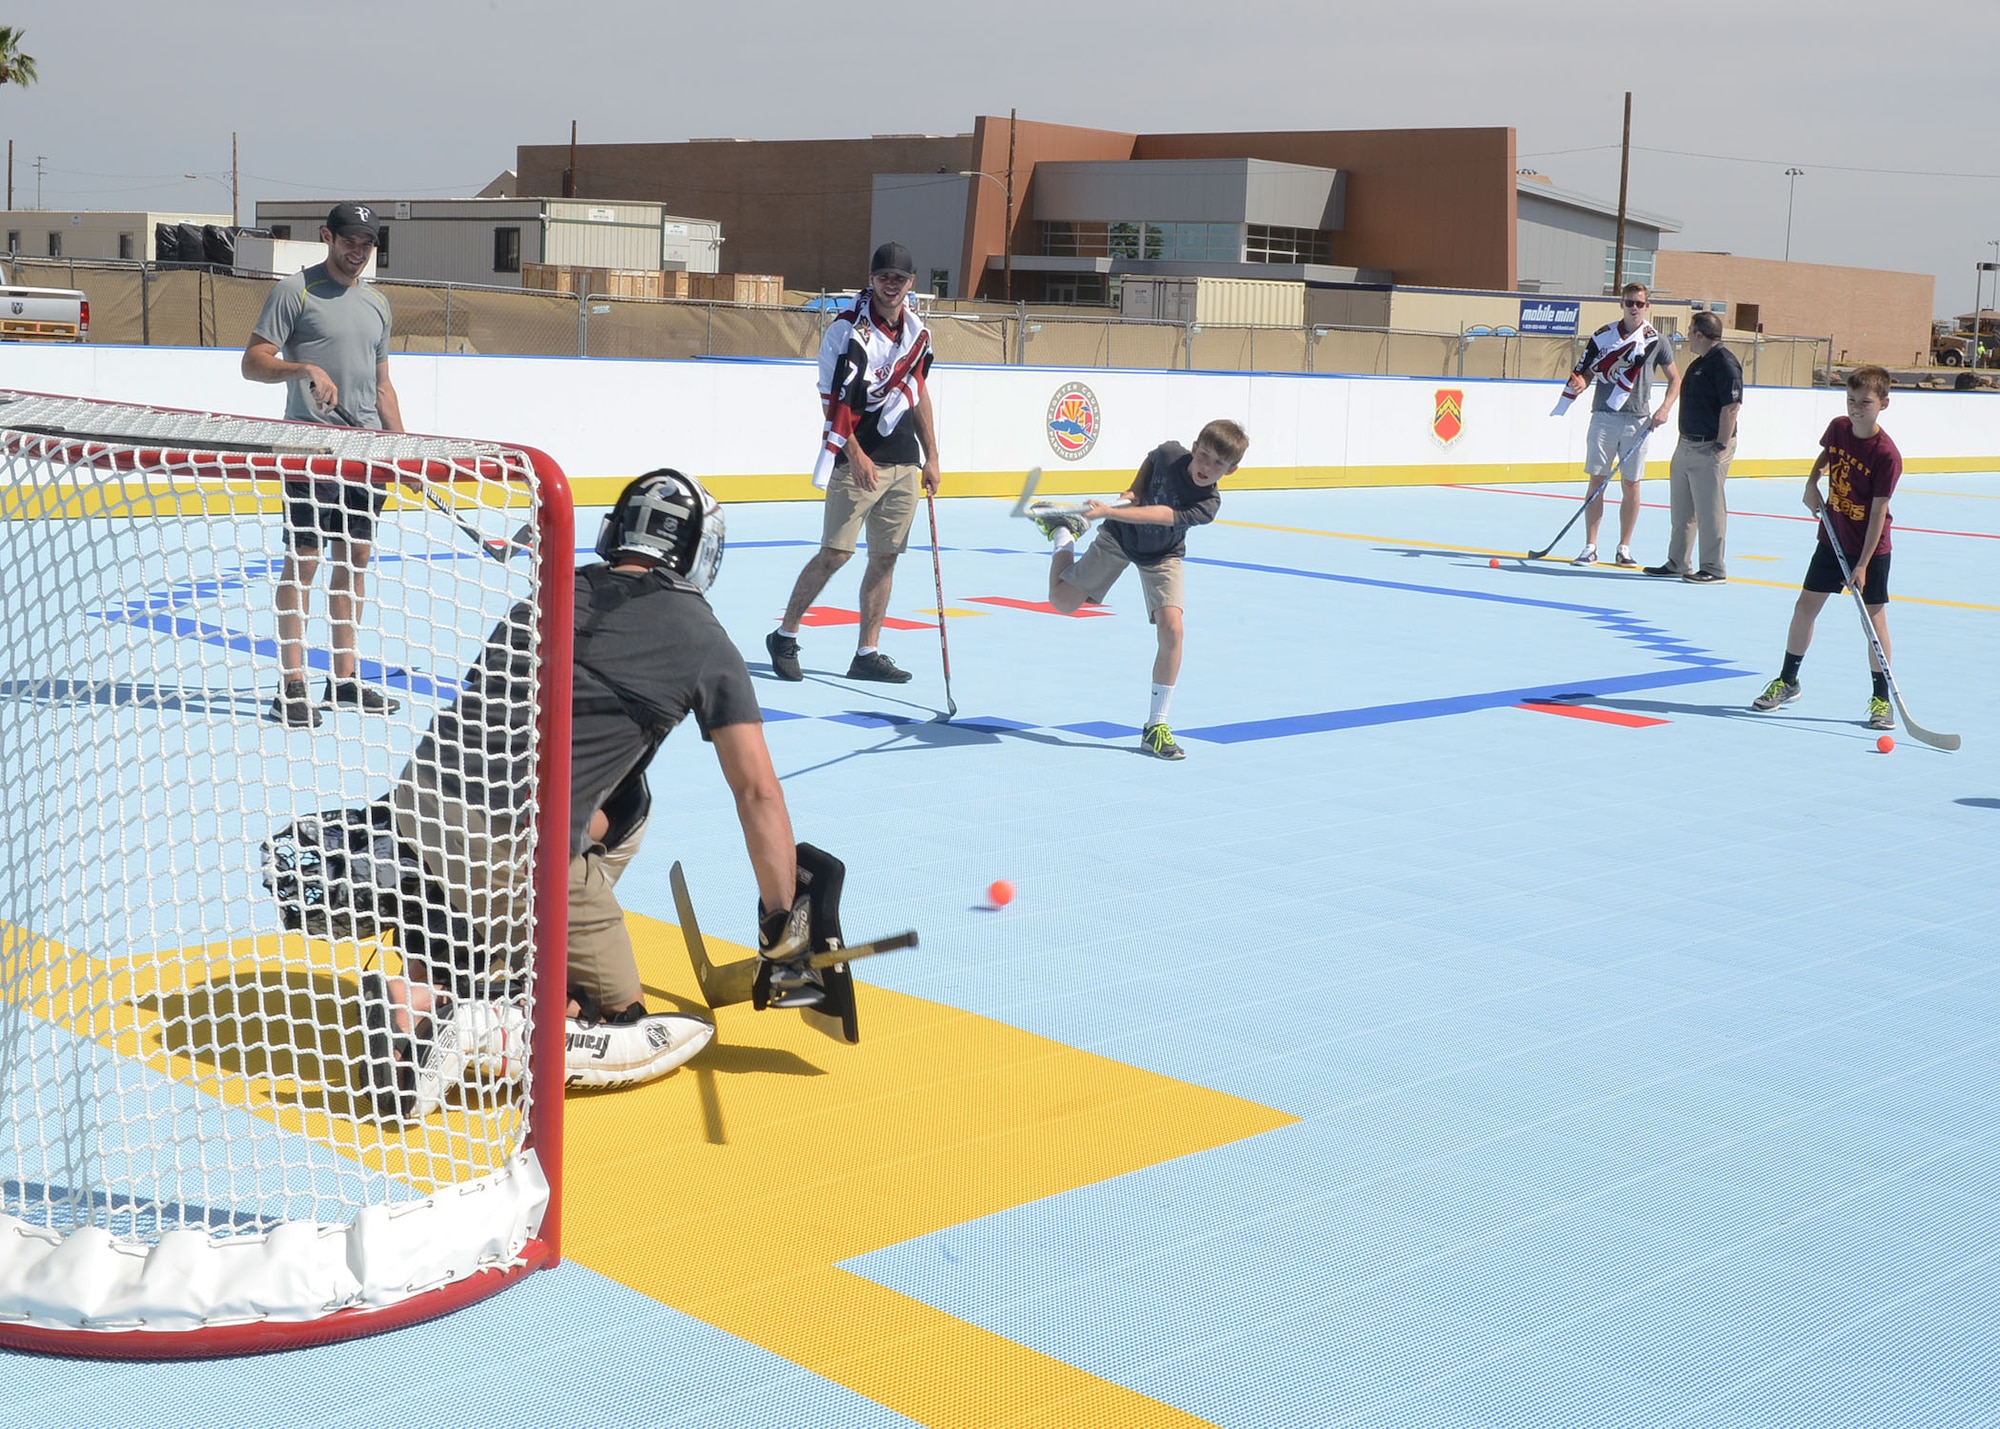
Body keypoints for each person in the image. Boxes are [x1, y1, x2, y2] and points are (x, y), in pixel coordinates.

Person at [242, 202, 405, 730]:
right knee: (305, 559)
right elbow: (253, 362)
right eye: (349, 241)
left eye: (367, 244)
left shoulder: (378, 303)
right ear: (327, 237)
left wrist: (399, 450)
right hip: (309, 450)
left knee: (354, 559)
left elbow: (382, 386)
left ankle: (346, 678)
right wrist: (305, 367)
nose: (357, 252)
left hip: (365, 455)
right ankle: (292, 684)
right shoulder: (297, 291)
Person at [766, 242, 940, 685]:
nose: (890, 284)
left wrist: (932, 456)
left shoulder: (916, 331)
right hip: (857, 459)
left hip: (904, 460)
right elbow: (832, 402)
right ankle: (785, 635)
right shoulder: (846, 331)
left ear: (910, 282)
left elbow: (917, 395)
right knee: (836, 553)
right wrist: (856, 455)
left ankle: (868, 652)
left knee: (885, 559)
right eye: (883, 276)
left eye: (898, 278)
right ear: (871, 277)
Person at [1031, 419, 1249, 762]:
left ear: (1232, 469)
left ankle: (1156, 727)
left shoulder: (1208, 505)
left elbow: (1161, 514)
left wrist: (1105, 510)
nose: (1207, 467)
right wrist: (1127, 497)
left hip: (1162, 554)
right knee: (1062, 602)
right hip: (1120, 537)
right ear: (1194, 448)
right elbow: (1146, 473)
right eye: (1204, 455)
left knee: (1173, 629)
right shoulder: (1168, 453)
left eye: (1218, 464)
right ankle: (1064, 532)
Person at [1748, 367, 1901, 731]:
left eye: (1865, 403)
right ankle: (1788, 680)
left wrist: (1862, 565)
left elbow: (1879, 511)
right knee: (1805, 607)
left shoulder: (1886, 455)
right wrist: (1811, 481)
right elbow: (1828, 455)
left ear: (1883, 404)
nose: (1856, 409)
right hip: (1832, 537)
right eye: (1851, 400)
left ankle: (1882, 699)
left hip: (1870, 549)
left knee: (1873, 622)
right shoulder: (1838, 427)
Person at [1556, 283, 1681, 568]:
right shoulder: (1604, 336)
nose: (1634, 308)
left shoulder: (1656, 340)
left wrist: (1663, 409)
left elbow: (1676, 379)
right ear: (1621, 305)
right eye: (1629, 303)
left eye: (1639, 303)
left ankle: (1624, 546)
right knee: (1597, 480)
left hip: (1637, 419)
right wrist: (1580, 385)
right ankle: (1590, 545)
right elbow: (1587, 374)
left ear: (1647, 306)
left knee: (1631, 484)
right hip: (1604, 415)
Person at [1644, 310, 1742, 583]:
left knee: (1710, 512)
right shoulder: (1701, 362)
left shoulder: (1724, 363)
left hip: (1709, 446)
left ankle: (1713, 567)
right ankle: (1677, 562)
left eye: (1690, 331)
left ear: (1700, 334)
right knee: (1682, 510)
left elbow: (1731, 407)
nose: (1688, 336)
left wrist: (1721, 446)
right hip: (1687, 444)